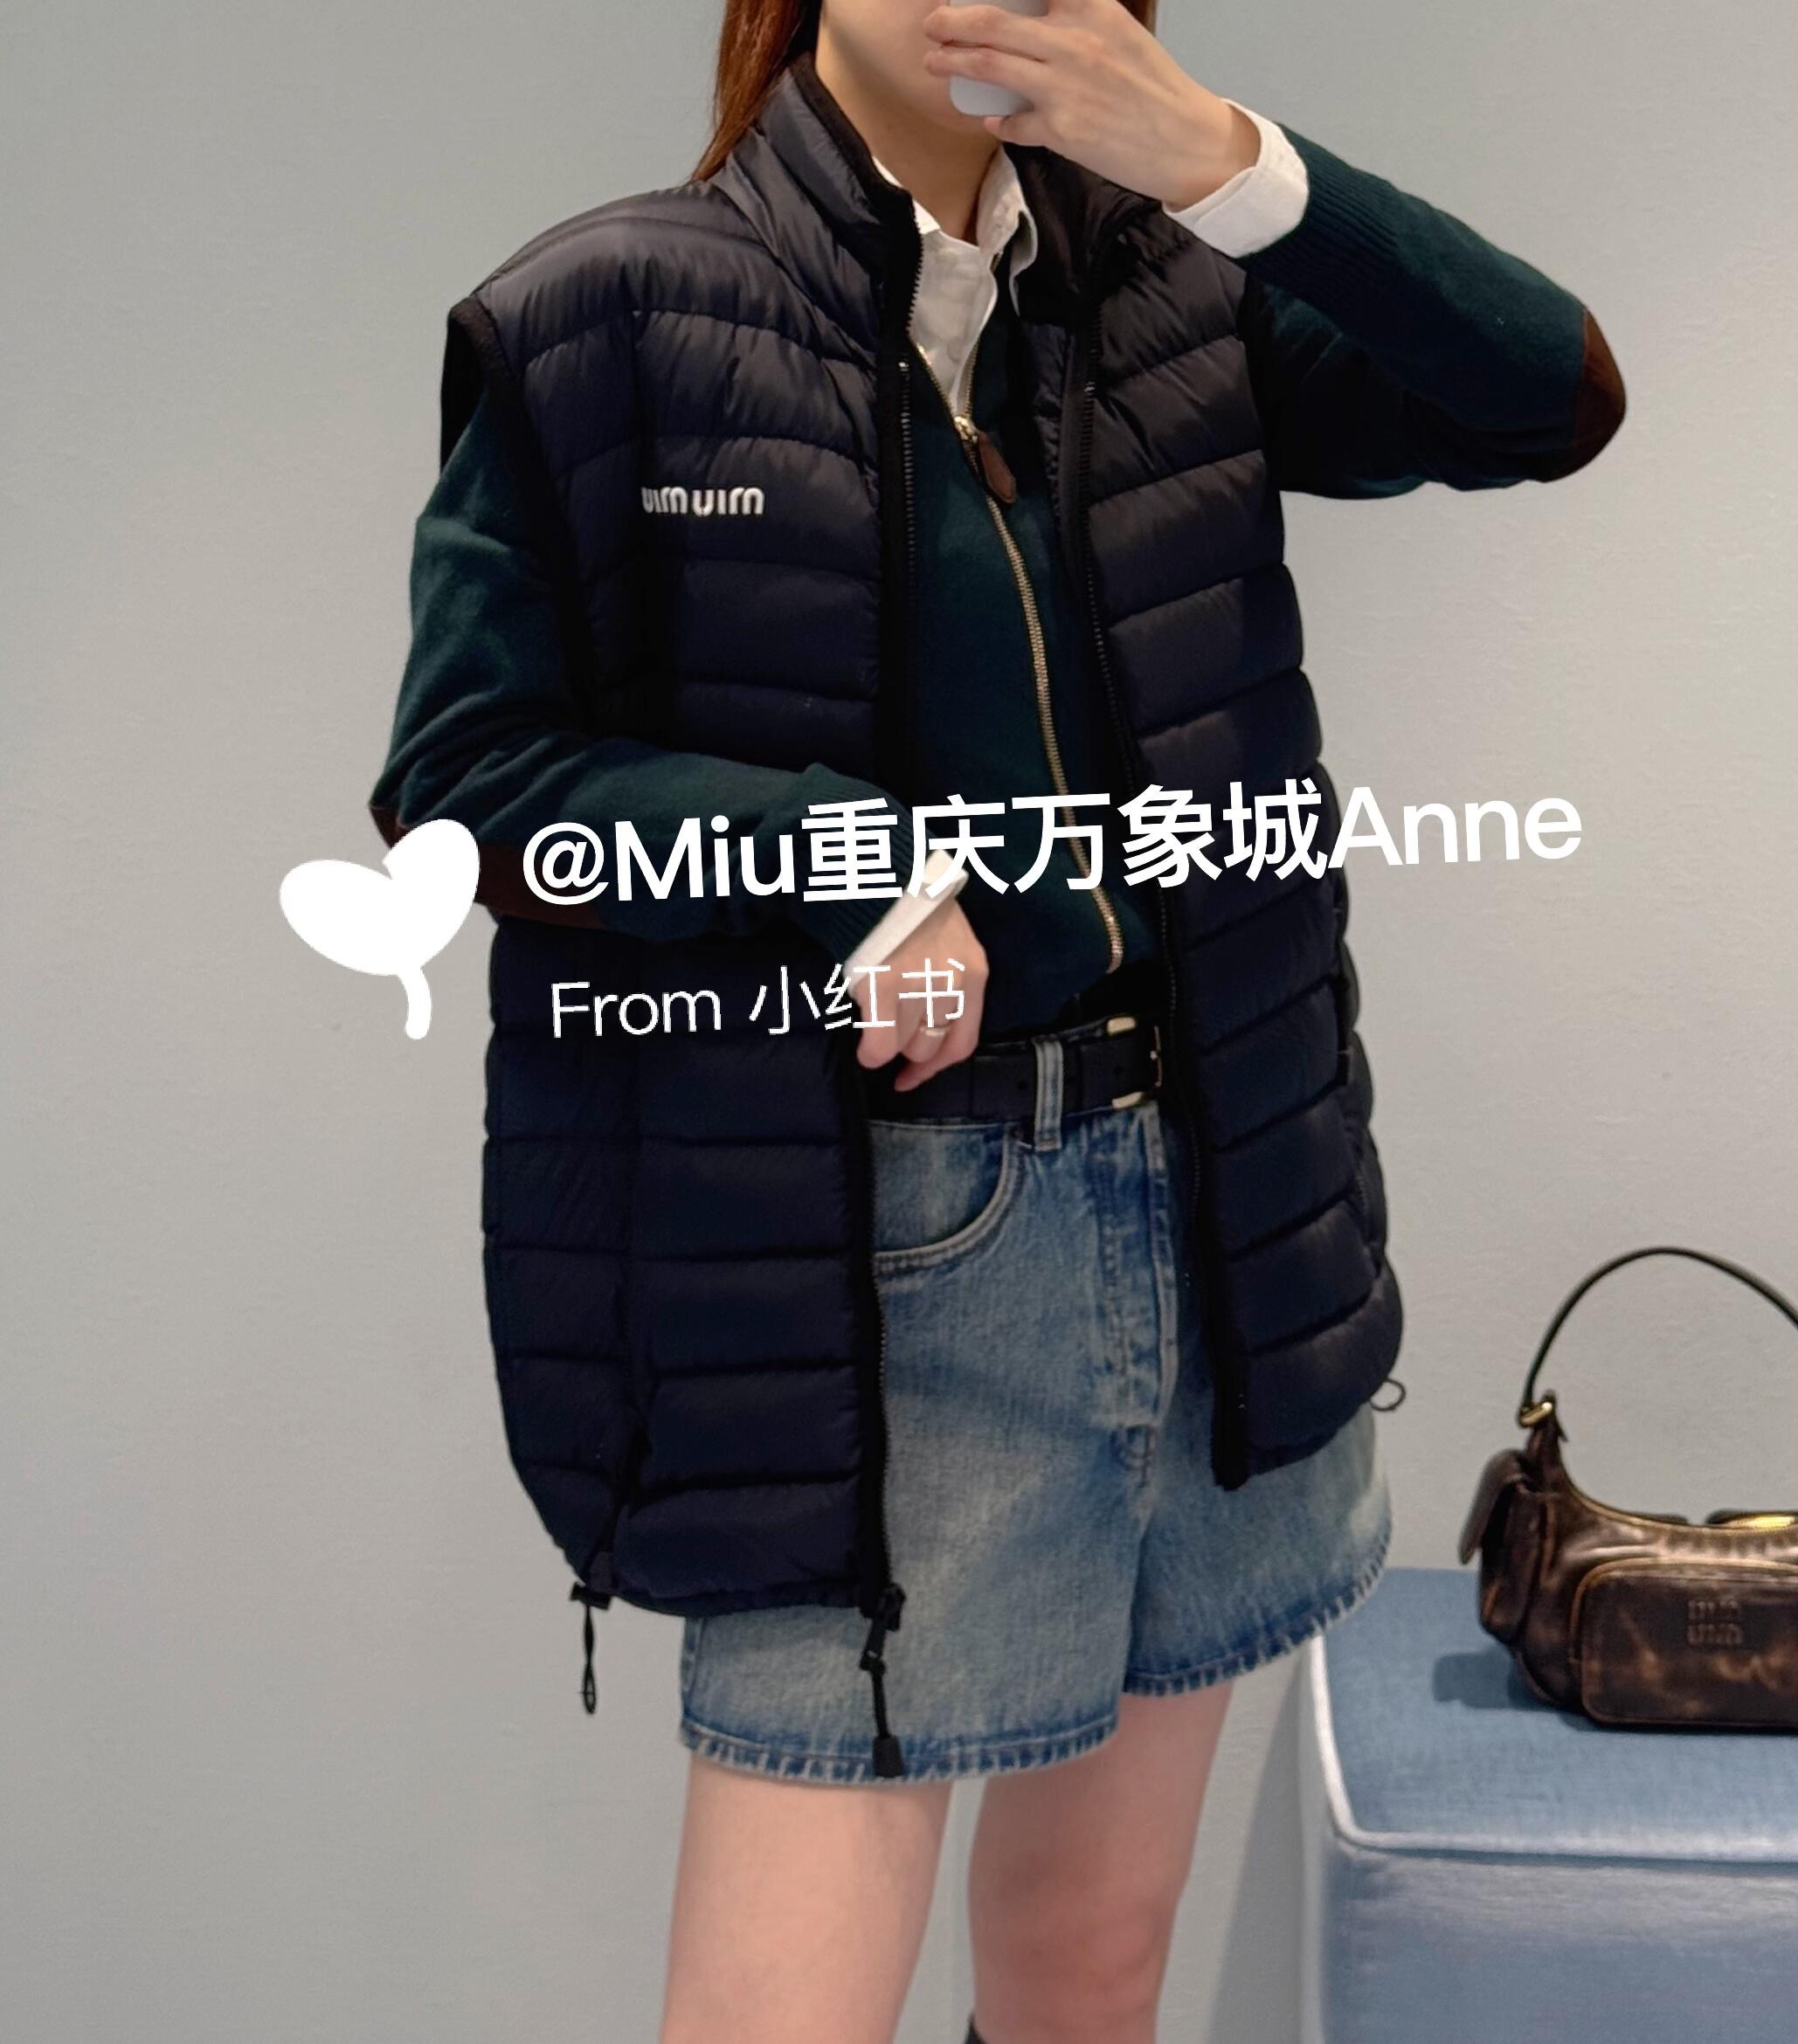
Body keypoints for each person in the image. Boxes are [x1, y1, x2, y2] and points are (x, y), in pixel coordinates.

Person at [370, 2, 1623, 2037]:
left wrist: (1220, 156)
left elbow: (1541, 393)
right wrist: (849, 860)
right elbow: (465, 787)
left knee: (1090, 1967)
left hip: (1222, 1212)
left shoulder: (1174, 288)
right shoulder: (608, 318)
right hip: (877, 1265)